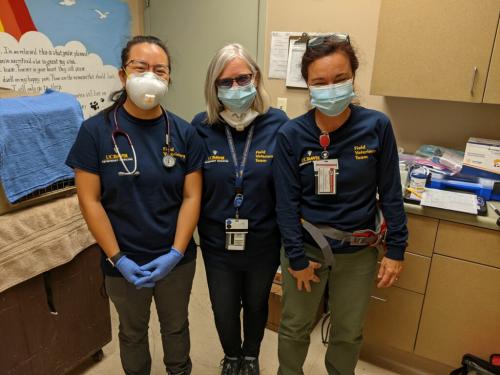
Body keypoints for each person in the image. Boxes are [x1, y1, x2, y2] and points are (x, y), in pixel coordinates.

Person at [66, 35, 204, 375]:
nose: (151, 76)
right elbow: (89, 199)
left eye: (160, 70)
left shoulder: (184, 133)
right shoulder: (95, 132)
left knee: (176, 327)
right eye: (140, 68)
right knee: (131, 333)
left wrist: (175, 253)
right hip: (123, 260)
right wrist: (118, 258)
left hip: (177, 258)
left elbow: (192, 196)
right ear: (122, 75)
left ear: (169, 78)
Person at [273, 34, 408, 375]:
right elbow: (285, 204)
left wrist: (396, 249)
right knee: (294, 326)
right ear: (308, 85)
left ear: (353, 77)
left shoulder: (376, 127)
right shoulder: (292, 135)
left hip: (358, 252)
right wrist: (297, 258)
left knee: (347, 333)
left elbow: (391, 191)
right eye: (320, 82)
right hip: (307, 249)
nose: (330, 88)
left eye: (340, 79)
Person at [191, 43, 288, 375]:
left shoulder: (278, 124)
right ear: (214, 87)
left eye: (242, 79)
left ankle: (251, 357)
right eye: (225, 82)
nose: (235, 88)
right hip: (218, 242)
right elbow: (189, 188)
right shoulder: (201, 126)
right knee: (223, 307)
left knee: (257, 303)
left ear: (256, 78)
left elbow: (288, 187)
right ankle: (231, 358)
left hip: (264, 240)